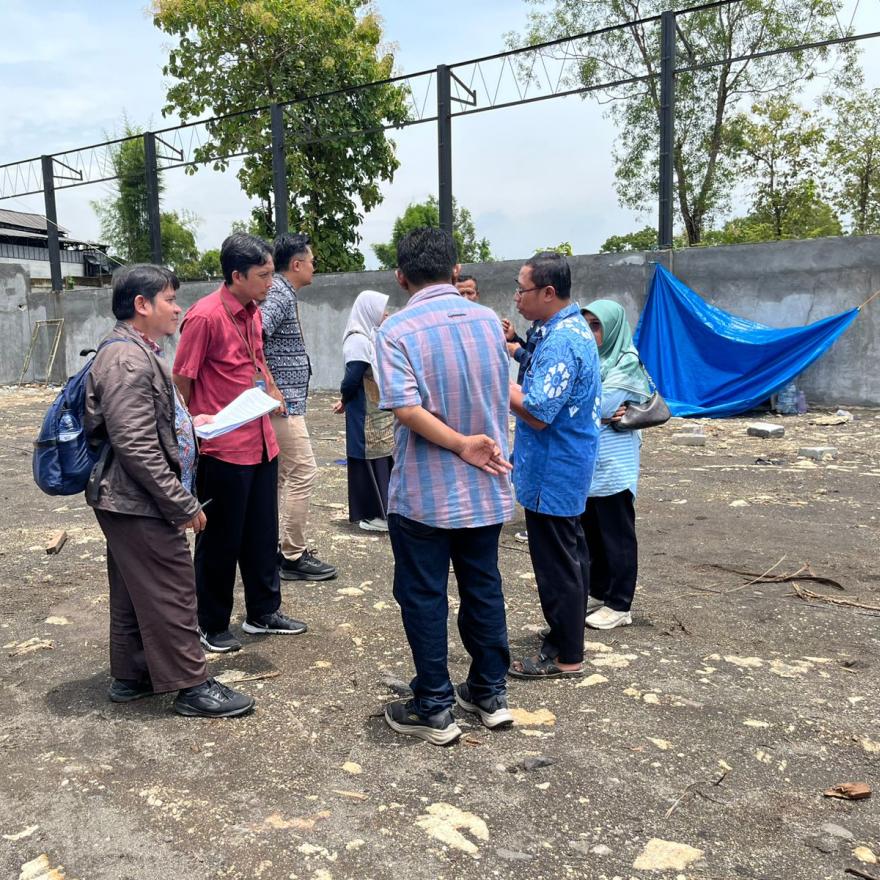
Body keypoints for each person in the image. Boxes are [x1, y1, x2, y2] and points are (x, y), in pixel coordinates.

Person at [85, 264, 254, 717]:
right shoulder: (126, 359)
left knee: (133, 587)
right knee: (174, 587)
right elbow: (135, 444)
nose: (178, 308)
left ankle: (133, 675)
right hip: (137, 499)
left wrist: (189, 424)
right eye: (170, 300)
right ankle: (192, 685)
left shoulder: (136, 350)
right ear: (142, 305)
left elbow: (146, 425)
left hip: (129, 497)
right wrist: (182, 503)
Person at [375, 227, 515, 745]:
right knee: (483, 586)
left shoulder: (396, 329)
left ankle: (434, 705)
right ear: (456, 271)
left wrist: (458, 444)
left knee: (424, 594)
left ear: (401, 276)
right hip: (485, 485)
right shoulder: (489, 321)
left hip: (426, 493)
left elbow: (405, 407)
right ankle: (489, 693)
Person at [173, 233, 307, 654]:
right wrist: (190, 432)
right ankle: (210, 623)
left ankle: (263, 612)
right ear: (236, 276)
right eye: (263, 275)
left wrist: (273, 392)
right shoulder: (205, 317)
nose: (271, 282)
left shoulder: (252, 312)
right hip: (223, 448)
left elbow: (257, 363)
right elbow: (182, 380)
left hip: (261, 439)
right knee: (220, 540)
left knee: (261, 534)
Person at [507, 252, 601, 681]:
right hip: (563, 462)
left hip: (554, 466)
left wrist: (493, 381)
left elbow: (539, 410)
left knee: (557, 561)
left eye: (522, 289)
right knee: (571, 554)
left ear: (548, 292)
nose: (517, 297)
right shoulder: (564, 329)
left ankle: (566, 656)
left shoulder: (562, 339)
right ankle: (567, 635)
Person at [261, 233, 336, 582]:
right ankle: (292, 554)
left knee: (279, 478)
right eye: (311, 260)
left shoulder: (281, 292)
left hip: (284, 400)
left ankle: (273, 548)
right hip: (283, 403)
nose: (314, 266)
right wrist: (270, 386)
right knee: (303, 471)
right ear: (296, 264)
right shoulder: (278, 293)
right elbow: (254, 335)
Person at [580, 301, 651, 630]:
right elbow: (591, 407)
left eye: (597, 326)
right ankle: (602, 593)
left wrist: (590, 410)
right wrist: (594, 411)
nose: (590, 333)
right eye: (586, 325)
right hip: (590, 462)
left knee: (617, 535)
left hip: (615, 464)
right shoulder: (590, 360)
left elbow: (601, 404)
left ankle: (621, 604)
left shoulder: (626, 362)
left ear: (612, 329)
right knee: (593, 532)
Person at [332, 290, 394, 532]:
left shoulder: (365, 336)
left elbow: (350, 381)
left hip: (369, 410)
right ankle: (384, 511)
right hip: (369, 408)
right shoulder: (360, 339)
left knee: (371, 457)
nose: (385, 314)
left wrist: (344, 397)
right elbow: (354, 377)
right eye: (381, 309)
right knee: (376, 457)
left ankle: (378, 513)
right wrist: (345, 398)